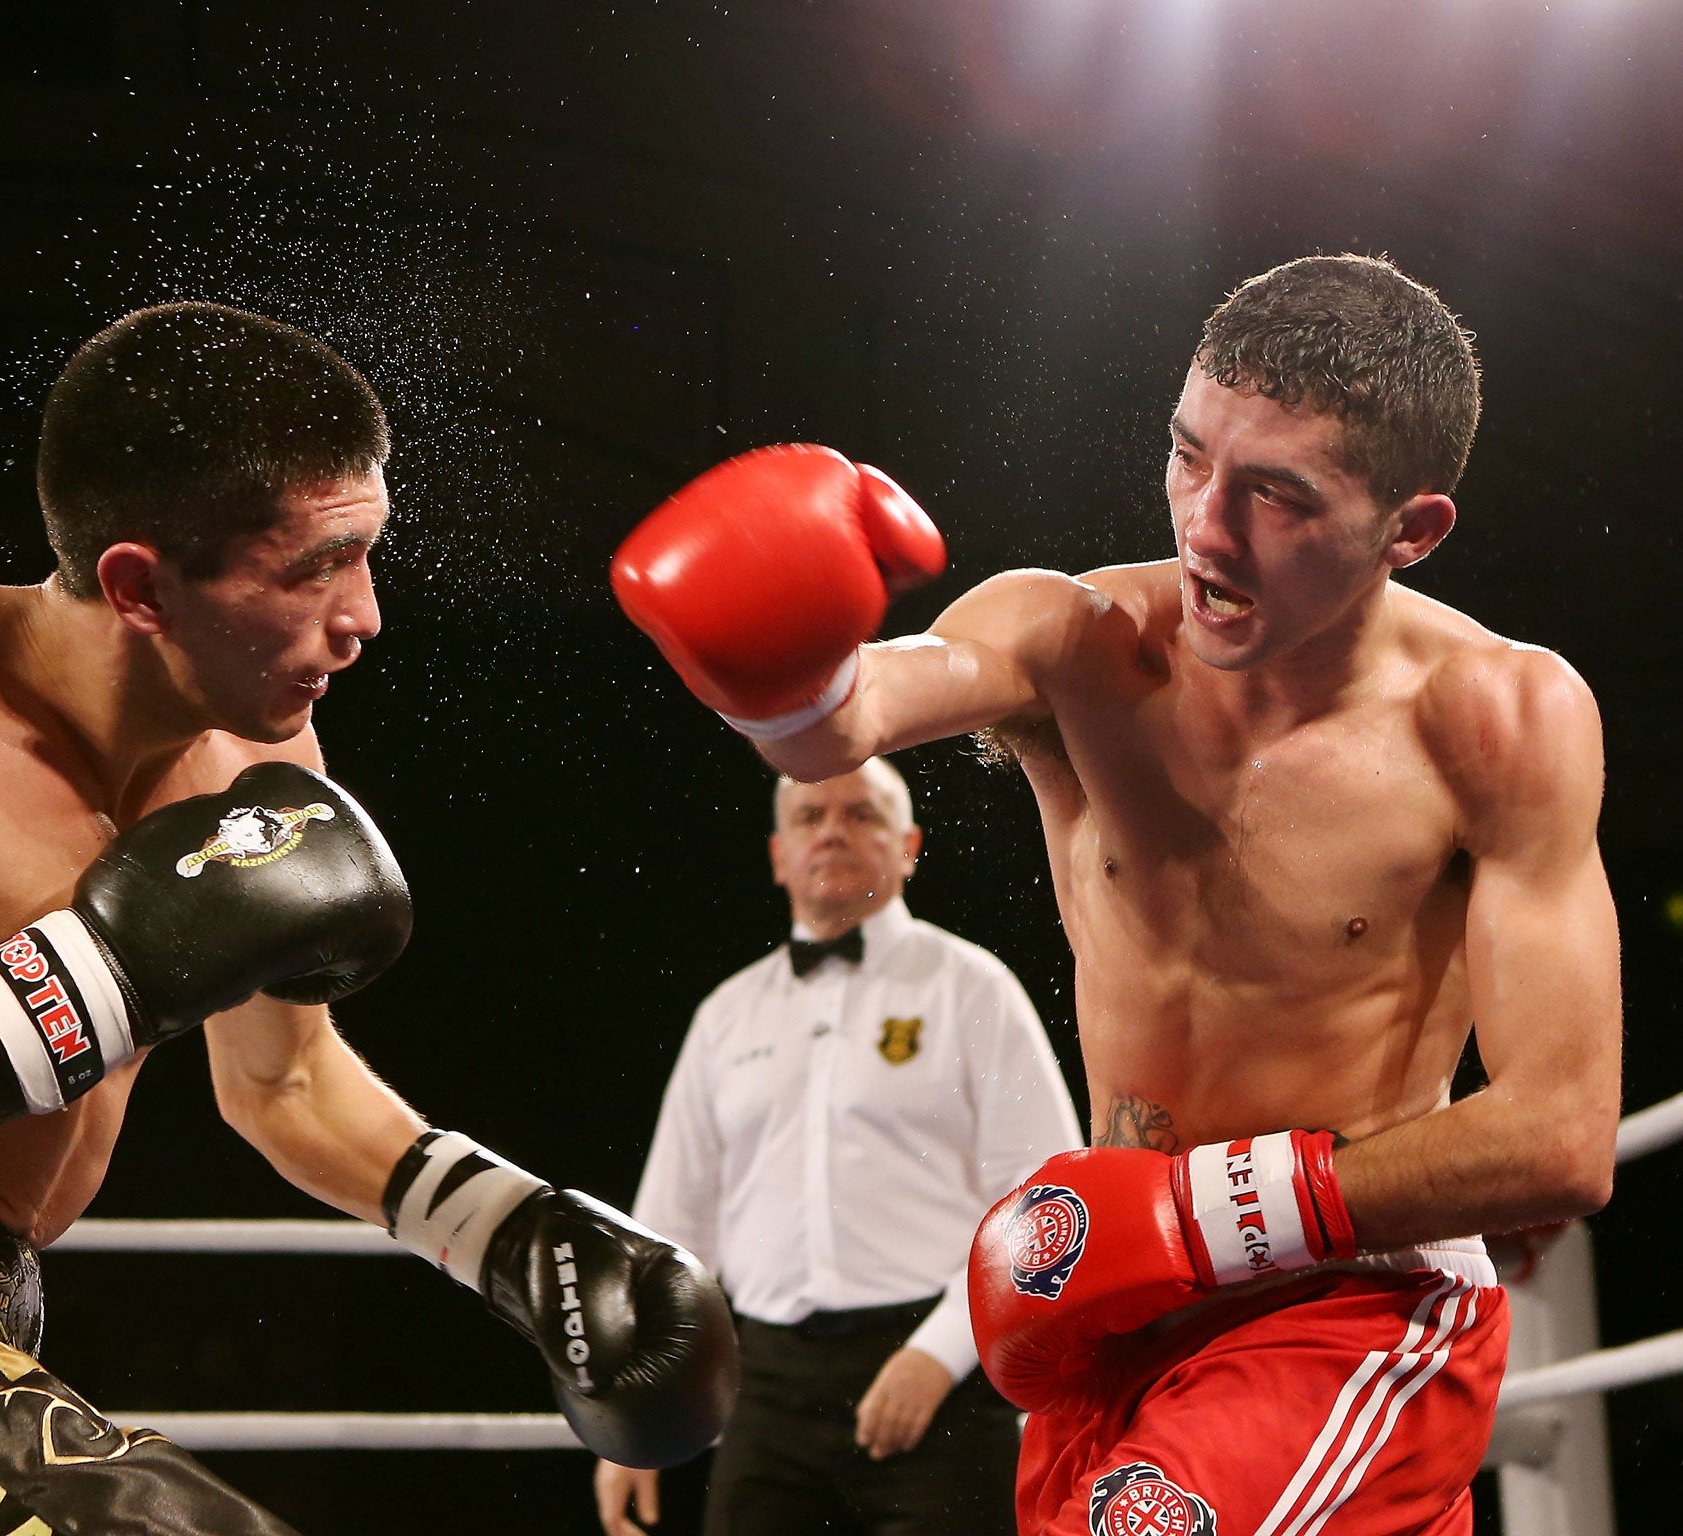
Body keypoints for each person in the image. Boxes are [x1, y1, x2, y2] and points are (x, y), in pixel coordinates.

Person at [0, 301, 736, 1534]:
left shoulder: (251, 769)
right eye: (311, 566)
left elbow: (281, 1087)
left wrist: (510, 1233)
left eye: (365, 551)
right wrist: (103, 974)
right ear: (139, 586)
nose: (362, 616)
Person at [611, 254, 1622, 1534]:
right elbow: (842, 724)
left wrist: (1192, 1216)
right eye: (1187, 455)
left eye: (1275, 495)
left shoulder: (1494, 716)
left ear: (1408, 531)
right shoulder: (1073, 641)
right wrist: (773, 664)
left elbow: (1560, 1135)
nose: (1204, 526)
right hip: (1106, 1314)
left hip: (1345, 1300)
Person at [594, 758, 1081, 1536]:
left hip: (936, 1375)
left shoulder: (973, 989)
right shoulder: (727, 1016)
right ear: (779, 854)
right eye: (810, 817)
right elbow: (673, 1231)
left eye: (861, 814)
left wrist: (941, 1355)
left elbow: (1046, 1204)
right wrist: (638, 1414)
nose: (832, 832)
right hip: (766, 1384)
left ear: (910, 843)